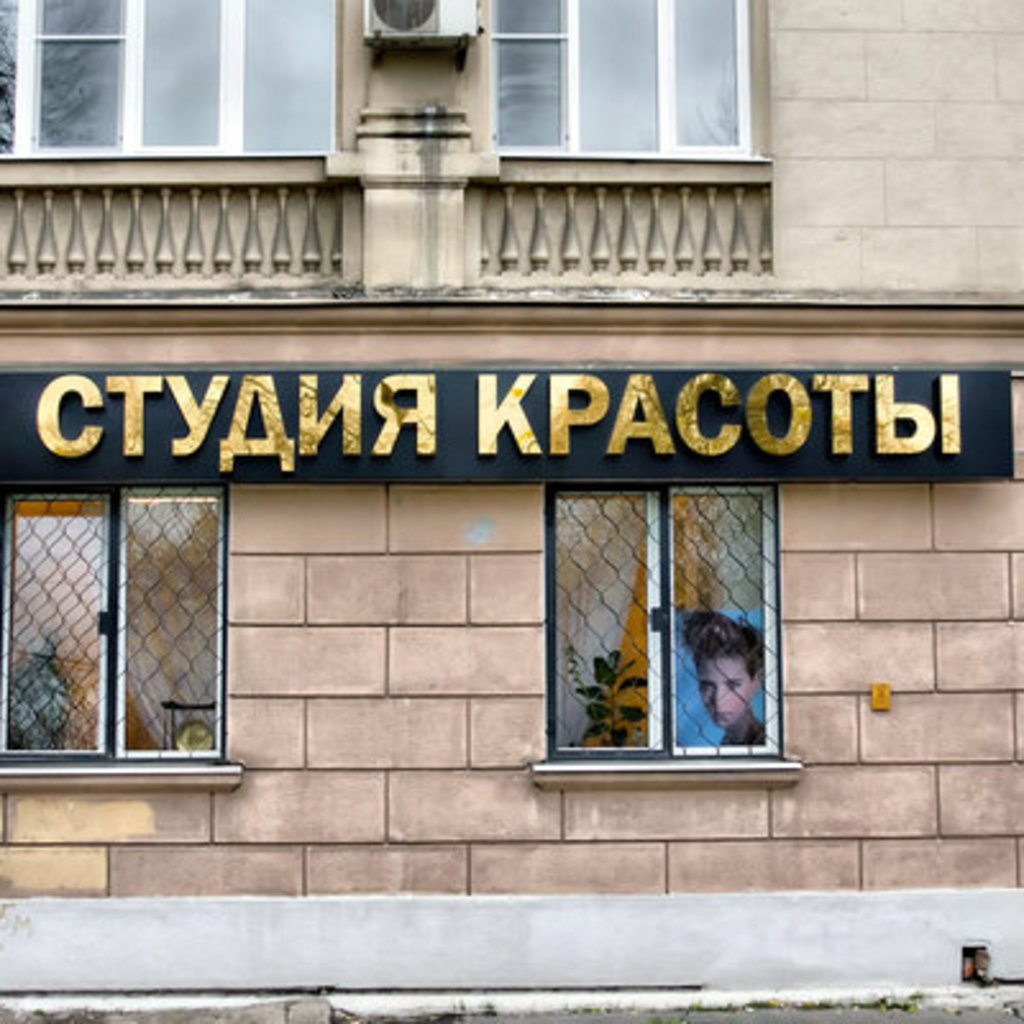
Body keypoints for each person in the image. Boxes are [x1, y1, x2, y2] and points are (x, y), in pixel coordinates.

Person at [683, 610, 765, 746]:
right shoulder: (729, 743)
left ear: (756, 681)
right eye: (707, 686)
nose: (718, 702)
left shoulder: (765, 747)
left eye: (732, 685)